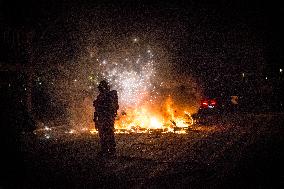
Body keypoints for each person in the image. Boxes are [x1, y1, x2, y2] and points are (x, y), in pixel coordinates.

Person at [93, 80, 119, 157]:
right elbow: (97, 109)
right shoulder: (103, 96)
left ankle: (111, 151)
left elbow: (113, 107)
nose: (99, 89)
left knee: (108, 133)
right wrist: (96, 119)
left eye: (101, 87)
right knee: (103, 134)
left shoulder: (109, 95)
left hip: (106, 117)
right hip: (103, 118)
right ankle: (106, 150)